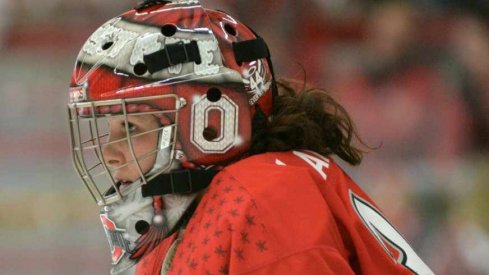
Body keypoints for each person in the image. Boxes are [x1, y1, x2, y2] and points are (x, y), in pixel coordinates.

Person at [67, 0, 434, 274]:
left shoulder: (260, 198)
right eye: (111, 129)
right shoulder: (211, 207)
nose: (112, 154)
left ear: (208, 125)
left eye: (130, 128)